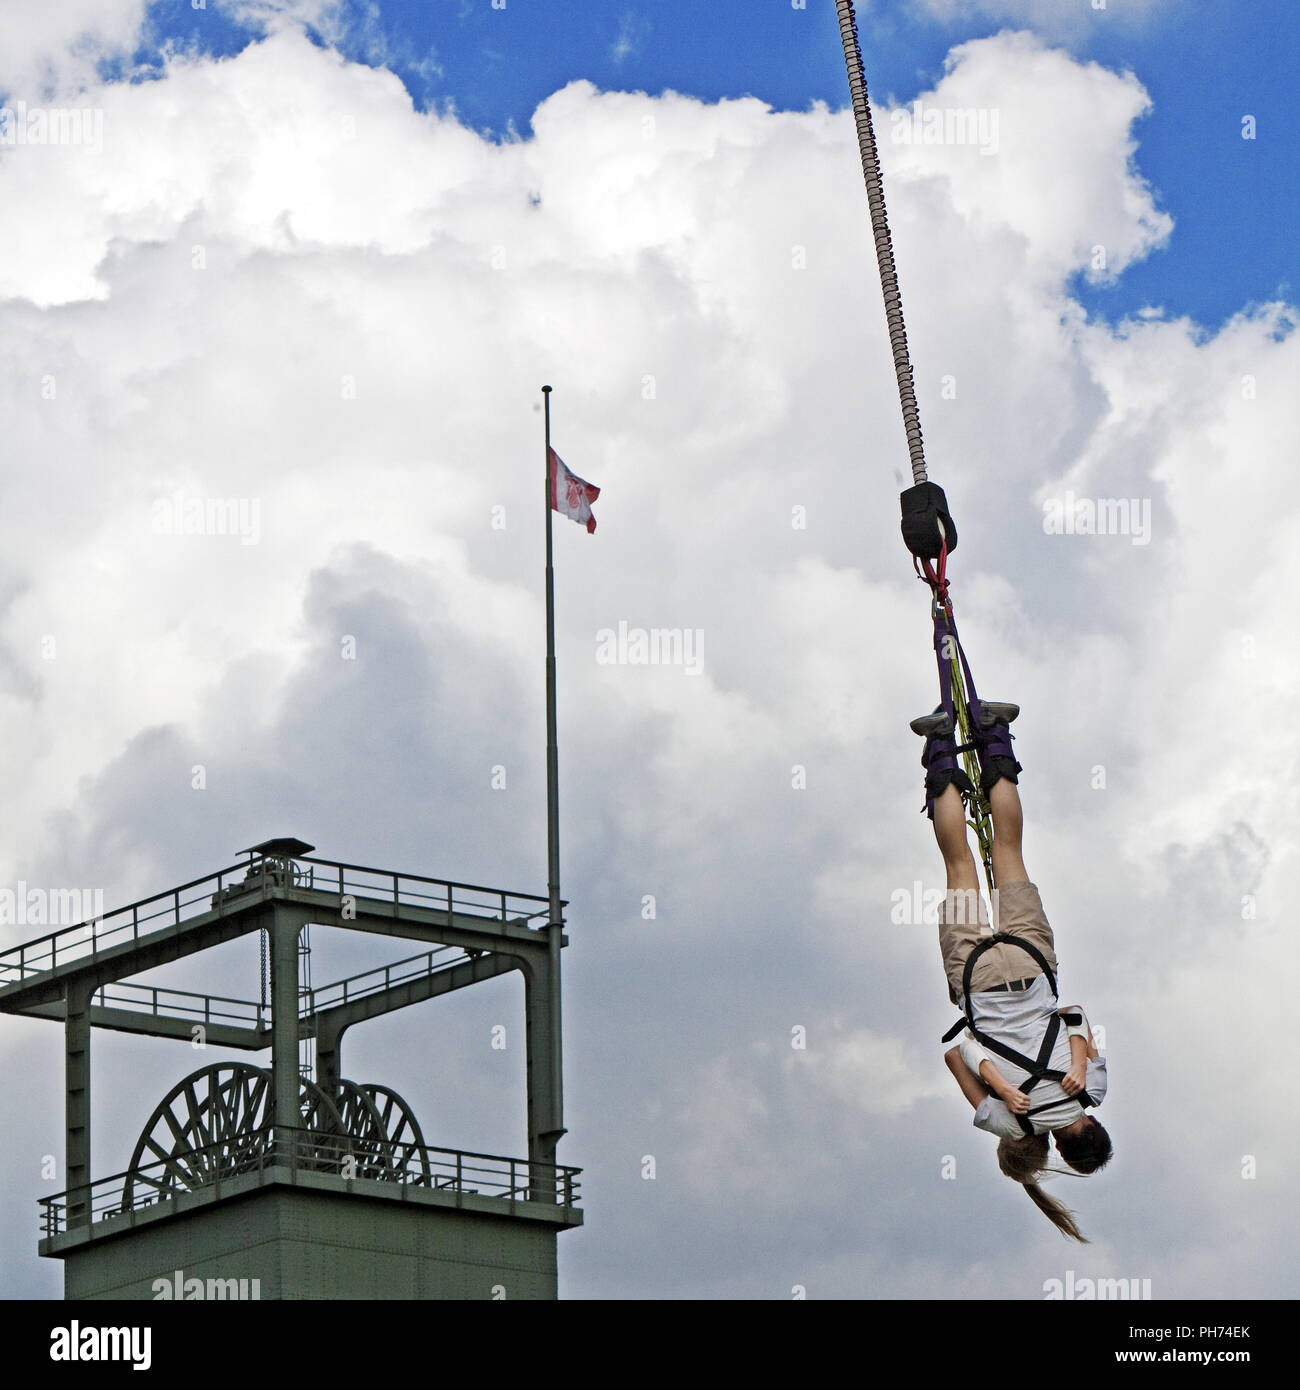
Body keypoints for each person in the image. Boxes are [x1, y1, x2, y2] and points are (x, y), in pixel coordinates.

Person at [913, 699, 1112, 1241]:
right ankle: (936, 746)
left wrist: (1072, 1057)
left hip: (1033, 966)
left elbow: (1073, 1016)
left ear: (1091, 1126)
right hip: (974, 982)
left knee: (1009, 851)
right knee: (959, 867)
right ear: (1060, 1147)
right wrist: (999, 1079)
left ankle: (996, 735)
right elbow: (958, 1053)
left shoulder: (1090, 1090)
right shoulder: (1010, 1121)